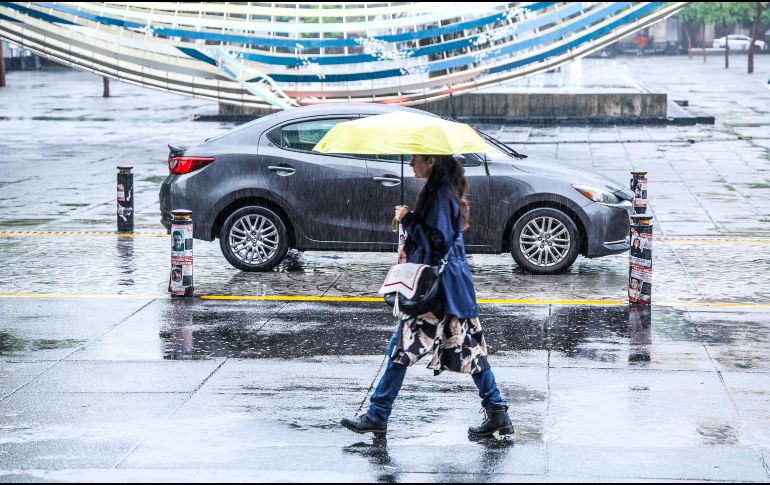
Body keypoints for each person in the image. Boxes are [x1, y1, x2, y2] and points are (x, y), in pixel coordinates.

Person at [341, 154, 513, 438]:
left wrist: (408, 218)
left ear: (431, 161)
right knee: (468, 349)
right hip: (450, 288)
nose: (411, 164)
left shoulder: (440, 195)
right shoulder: (441, 191)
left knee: (400, 349)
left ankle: (377, 414)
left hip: (437, 290)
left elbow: (439, 240)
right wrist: (410, 238)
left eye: (415, 159)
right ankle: (497, 412)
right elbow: (436, 236)